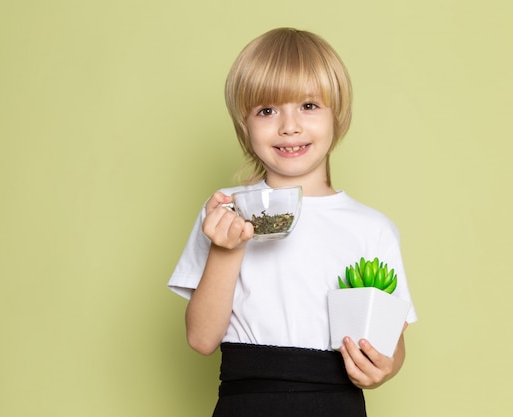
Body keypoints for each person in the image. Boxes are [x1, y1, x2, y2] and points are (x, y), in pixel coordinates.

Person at [168, 27, 417, 417]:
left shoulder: (372, 229)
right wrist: (225, 249)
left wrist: (384, 368)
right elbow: (201, 339)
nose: (289, 126)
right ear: (244, 124)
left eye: (308, 106)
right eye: (267, 111)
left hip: (335, 402)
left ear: (338, 113)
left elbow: (392, 342)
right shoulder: (225, 214)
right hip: (245, 402)